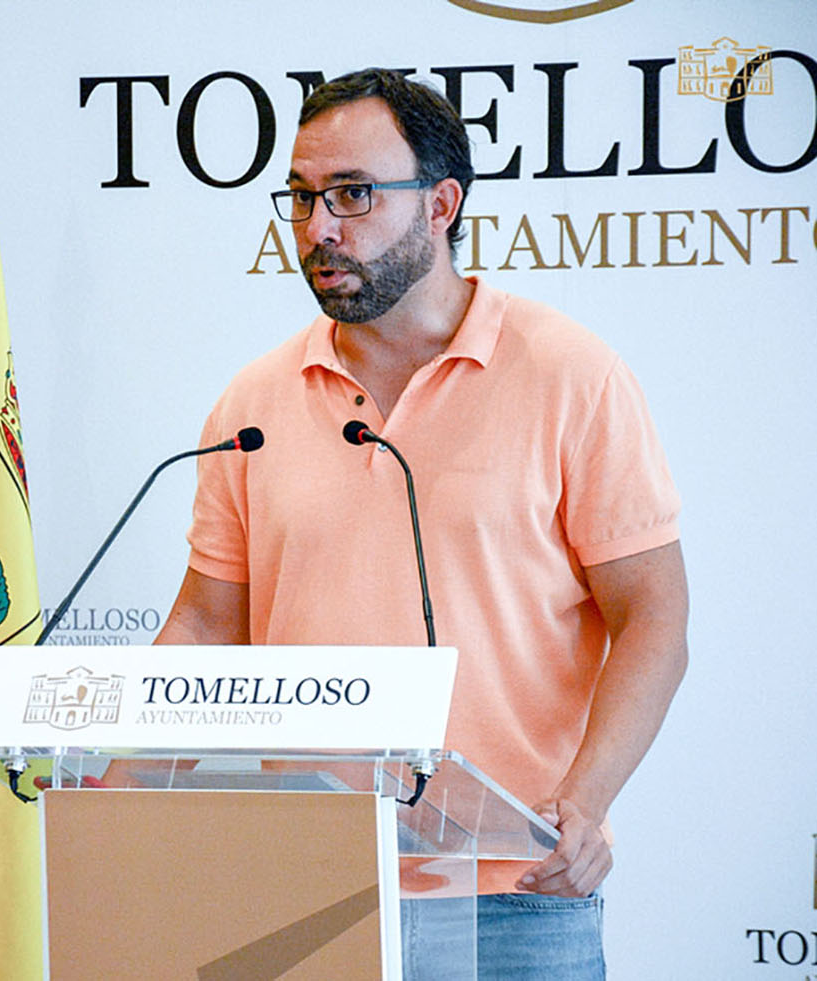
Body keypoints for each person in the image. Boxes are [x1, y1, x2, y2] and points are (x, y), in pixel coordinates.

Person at [155, 68, 688, 978]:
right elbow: (210, 621)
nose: (319, 229)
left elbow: (655, 618)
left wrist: (582, 804)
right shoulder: (252, 400)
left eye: (353, 196)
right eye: (301, 198)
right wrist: (104, 799)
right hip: (305, 887)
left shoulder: (570, 375)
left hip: (515, 893)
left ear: (442, 204)